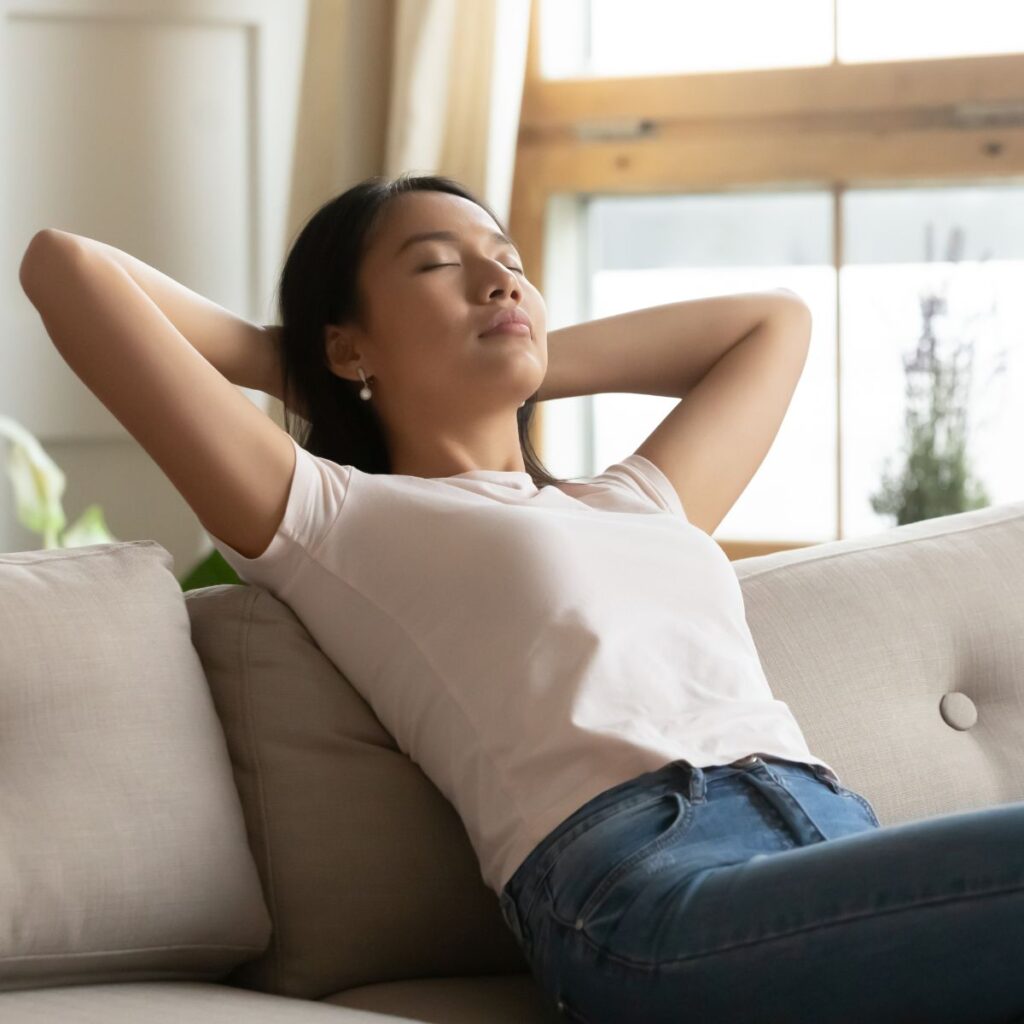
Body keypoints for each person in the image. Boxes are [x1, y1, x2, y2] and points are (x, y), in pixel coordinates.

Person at [20, 174, 1024, 1024]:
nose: (497, 275)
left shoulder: (637, 499)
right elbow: (66, 268)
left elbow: (775, 323)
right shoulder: (335, 516)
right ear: (346, 343)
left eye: (506, 259)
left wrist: (518, 346)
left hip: (837, 840)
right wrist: (311, 372)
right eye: (433, 264)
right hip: (649, 894)